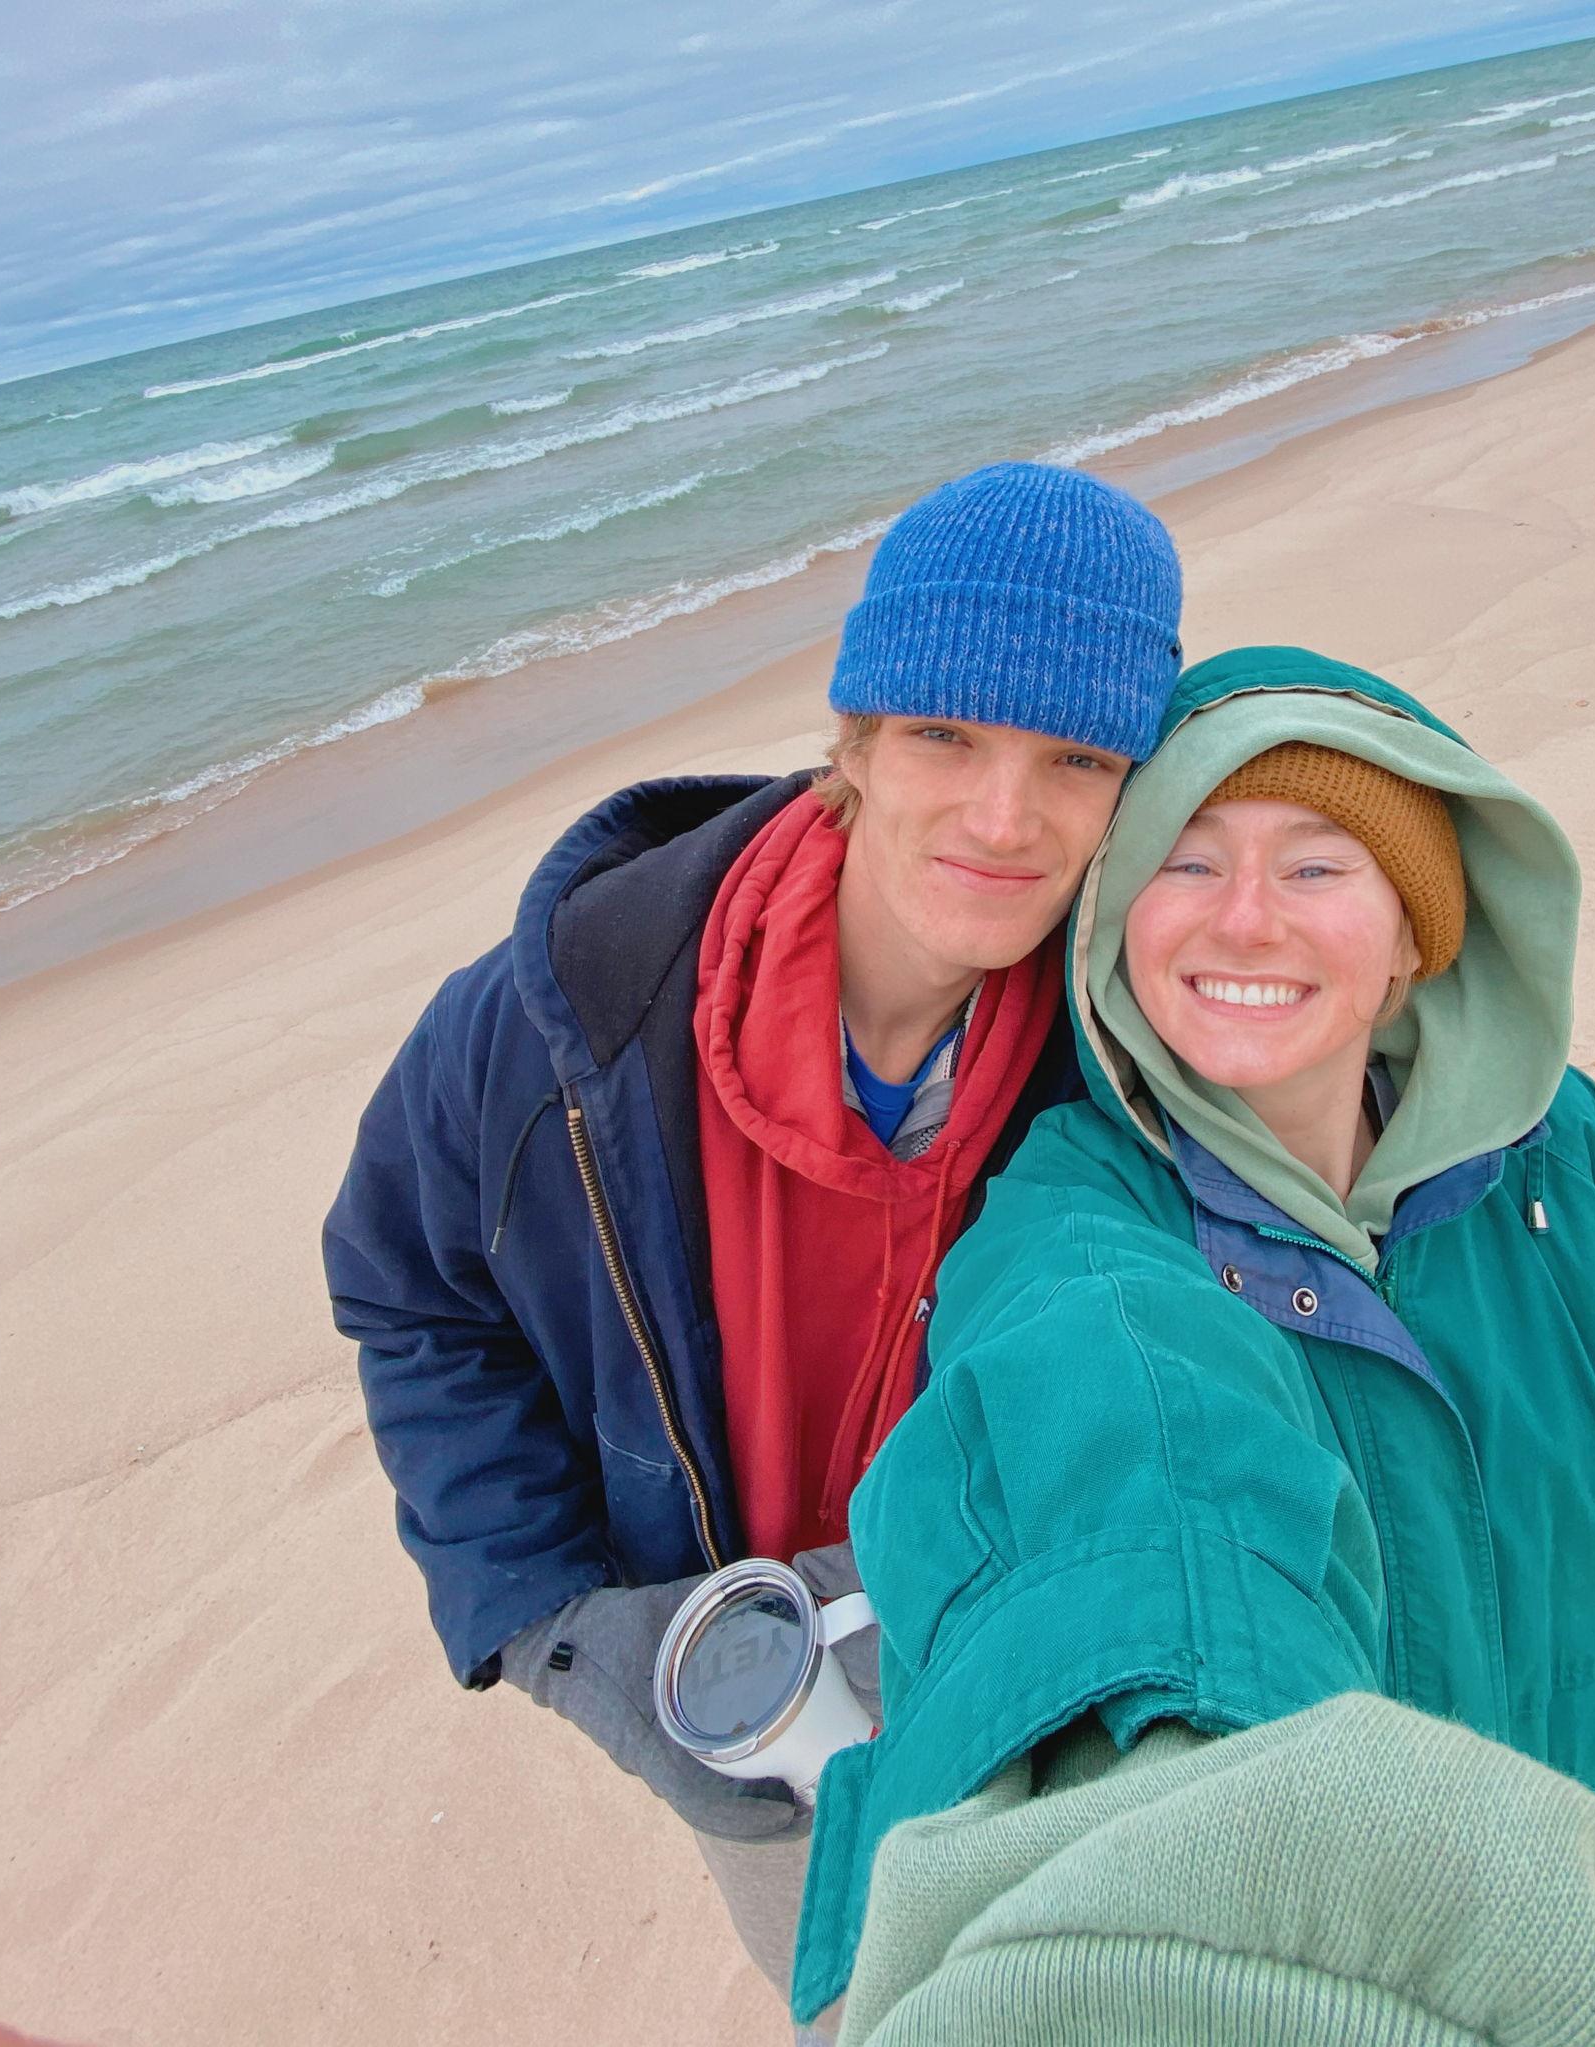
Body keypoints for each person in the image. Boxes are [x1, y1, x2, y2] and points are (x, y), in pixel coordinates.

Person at [790, 643, 1595, 2024]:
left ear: (1413, 937)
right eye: (1187, 861)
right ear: (1113, 927)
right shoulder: (1070, 1231)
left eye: (1319, 866)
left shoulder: (1565, 1167)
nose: (1247, 920)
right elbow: (1121, 1519)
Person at [320, 461, 1184, 2026]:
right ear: (852, 737)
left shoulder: (1132, 1039)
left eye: (1076, 756)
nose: (1005, 816)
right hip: (754, 1713)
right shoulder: (551, 1026)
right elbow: (408, 1292)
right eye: (945, 733)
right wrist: (550, 1620)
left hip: (1036, 1659)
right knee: (856, 1998)